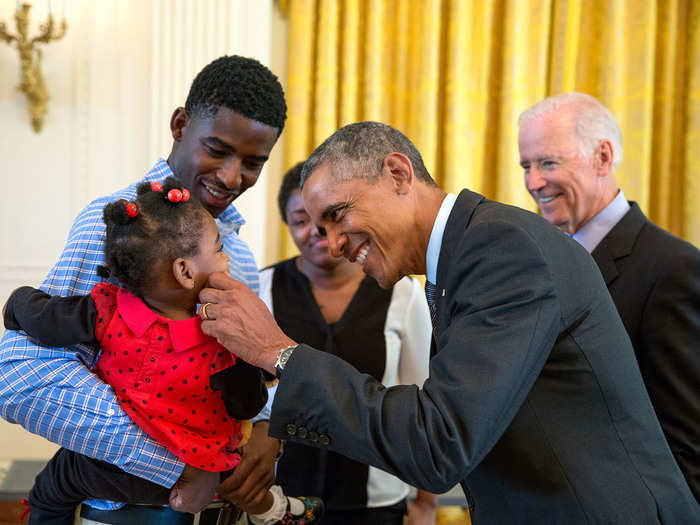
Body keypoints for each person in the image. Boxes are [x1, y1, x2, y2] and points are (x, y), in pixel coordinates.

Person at [195, 121, 699, 524]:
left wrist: (279, 353)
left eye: (337, 215)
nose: (332, 244)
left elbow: (440, 442)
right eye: (317, 227)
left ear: (397, 173)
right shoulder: (461, 255)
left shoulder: (504, 248)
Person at [0, 55, 287, 524]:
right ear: (179, 125)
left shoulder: (241, 255)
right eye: (217, 148)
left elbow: (248, 375)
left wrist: (266, 429)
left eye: (253, 163)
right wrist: (182, 464)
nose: (233, 177)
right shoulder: (117, 228)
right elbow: (18, 378)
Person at [3, 178, 324, 525]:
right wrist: (253, 367)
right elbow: (247, 404)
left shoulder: (106, 310)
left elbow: (48, 320)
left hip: (124, 471)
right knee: (235, 472)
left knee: (56, 481)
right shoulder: (219, 340)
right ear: (185, 271)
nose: (226, 256)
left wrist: (19, 303)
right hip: (197, 466)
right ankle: (275, 511)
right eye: (218, 249)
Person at [518, 92, 700, 501]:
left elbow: (688, 442)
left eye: (548, 162)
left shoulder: (672, 269)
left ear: (603, 157)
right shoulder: (536, 260)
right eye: (526, 166)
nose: (533, 182)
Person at [261, 162, 437, 525]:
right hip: (279, 499)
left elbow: (425, 399)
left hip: (376, 500)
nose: (315, 232)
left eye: (324, 218)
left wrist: (426, 503)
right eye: (299, 220)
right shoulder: (263, 288)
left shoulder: (401, 291)